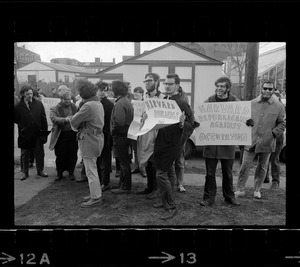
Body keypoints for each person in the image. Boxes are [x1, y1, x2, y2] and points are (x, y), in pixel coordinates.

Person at [152, 73, 194, 220]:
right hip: (161, 141)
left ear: (177, 85)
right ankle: (164, 201)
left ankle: (169, 205)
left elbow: (191, 124)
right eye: (166, 84)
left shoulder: (182, 103)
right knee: (168, 174)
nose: (167, 86)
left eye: (170, 84)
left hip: (173, 143)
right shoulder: (164, 100)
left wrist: (183, 124)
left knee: (160, 174)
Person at [235, 80, 286, 199]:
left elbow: (282, 124)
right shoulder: (251, 103)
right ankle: (240, 189)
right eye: (265, 88)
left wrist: (273, 133)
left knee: (262, 167)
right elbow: (243, 119)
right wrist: (246, 122)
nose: (267, 91)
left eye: (270, 89)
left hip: (267, 142)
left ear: (273, 90)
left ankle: (257, 189)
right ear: (261, 89)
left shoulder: (278, 106)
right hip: (251, 140)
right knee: (245, 166)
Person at [200, 77, 241, 207]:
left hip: (227, 145)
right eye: (217, 86)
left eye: (222, 86)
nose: (219, 88)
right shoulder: (209, 101)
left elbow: (242, 119)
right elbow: (202, 118)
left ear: (228, 88)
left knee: (227, 173)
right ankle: (208, 198)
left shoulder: (236, 102)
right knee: (210, 174)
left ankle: (229, 197)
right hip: (211, 145)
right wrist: (198, 123)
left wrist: (247, 122)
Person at [66, 79, 105, 208]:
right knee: (92, 168)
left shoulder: (88, 106)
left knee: (90, 170)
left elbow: (74, 122)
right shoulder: (97, 103)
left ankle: (96, 197)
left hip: (89, 140)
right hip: (97, 138)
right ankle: (95, 193)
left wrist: (74, 119)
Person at [136, 73, 165, 200]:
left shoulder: (163, 98)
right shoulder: (144, 97)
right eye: (146, 80)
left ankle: (156, 189)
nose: (147, 82)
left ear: (157, 82)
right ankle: (149, 186)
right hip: (145, 133)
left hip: (156, 134)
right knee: (146, 162)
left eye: (150, 80)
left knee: (154, 163)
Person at [14, 84, 49, 181]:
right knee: (25, 154)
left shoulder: (38, 104)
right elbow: (16, 119)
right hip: (25, 134)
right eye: (27, 94)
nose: (30, 96)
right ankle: (25, 172)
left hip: (37, 133)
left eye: (31, 93)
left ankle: (40, 170)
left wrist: (44, 133)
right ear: (22, 94)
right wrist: (24, 127)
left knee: (39, 152)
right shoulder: (18, 106)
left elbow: (43, 119)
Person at [110, 80, 134, 194]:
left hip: (121, 136)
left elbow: (119, 122)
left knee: (123, 162)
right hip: (126, 135)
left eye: (112, 89)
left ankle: (125, 187)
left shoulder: (120, 103)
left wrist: (113, 131)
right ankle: (123, 185)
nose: (111, 91)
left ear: (116, 90)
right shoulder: (126, 100)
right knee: (125, 161)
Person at [49, 92, 78, 181]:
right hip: (60, 135)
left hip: (72, 134)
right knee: (60, 155)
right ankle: (59, 173)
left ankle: (71, 172)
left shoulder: (75, 107)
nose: (68, 101)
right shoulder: (55, 108)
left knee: (72, 154)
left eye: (69, 100)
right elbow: (53, 118)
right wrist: (65, 120)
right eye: (66, 100)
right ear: (61, 99)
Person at [263, 88, 286, 189]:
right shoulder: (266, 106)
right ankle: (265, 177)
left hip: (277, 136)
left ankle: (275, 181)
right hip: (267, 135)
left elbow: (282, 123)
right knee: (264, 157)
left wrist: (274, 133)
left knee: (274, 158)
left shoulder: (280, 107)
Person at [174, 82, 194, 193]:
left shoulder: (185, 106)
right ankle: (173, 181)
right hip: (172, 139)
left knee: (179, 162)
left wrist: (184, 134)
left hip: (181, 139)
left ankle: (180, 183)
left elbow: (191, 124)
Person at [95, 81, 114, 191]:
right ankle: (98, 180)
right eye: (100, 90)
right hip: (95, 135)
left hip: (105, 135)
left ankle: (105, 182)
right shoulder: (94, 103)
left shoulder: (109, 105)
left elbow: (109, 123)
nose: (102, 92)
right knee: (97, 160)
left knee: (105, 161)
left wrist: (107, 138)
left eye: (104, 90)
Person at [130, 86, 147, 177]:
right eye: (134, 92)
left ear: (142, 94)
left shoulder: (145, 103)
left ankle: (143, 168)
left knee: (142, 149)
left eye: (138, 92)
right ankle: (137, 166)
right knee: (135, 149)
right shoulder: (131, 103)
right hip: (133, 127)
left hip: (142, 128)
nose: (135, 94)